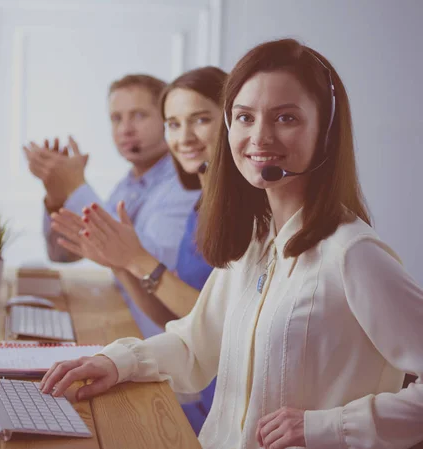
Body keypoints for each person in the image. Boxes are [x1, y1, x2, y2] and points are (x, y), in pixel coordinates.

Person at [38, 38, 423, 449]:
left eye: (286, 118)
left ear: (326, 132)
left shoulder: (353, 253)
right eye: (244, 117)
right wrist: (115, 362)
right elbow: (195, 344)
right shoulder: (255, 242)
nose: (259, 136)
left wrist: (326, 428)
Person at [49, 66, 228, 434]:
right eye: (174, 124)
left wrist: (131, 257)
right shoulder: (202, 207)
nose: (185, 137)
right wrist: (118, 262)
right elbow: (174, 317)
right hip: (194, 369)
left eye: (200, 120)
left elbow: (213, 323)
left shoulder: (218, 206)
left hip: (213, 389)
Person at [23, 74, 200, 279]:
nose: (125, 129)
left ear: (168, 120)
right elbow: (62, 255)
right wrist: (58, 196)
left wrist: (75, 187)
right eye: (116, 118)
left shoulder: (185, 184)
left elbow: (154, 267)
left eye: (139, 115)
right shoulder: (126, 186)